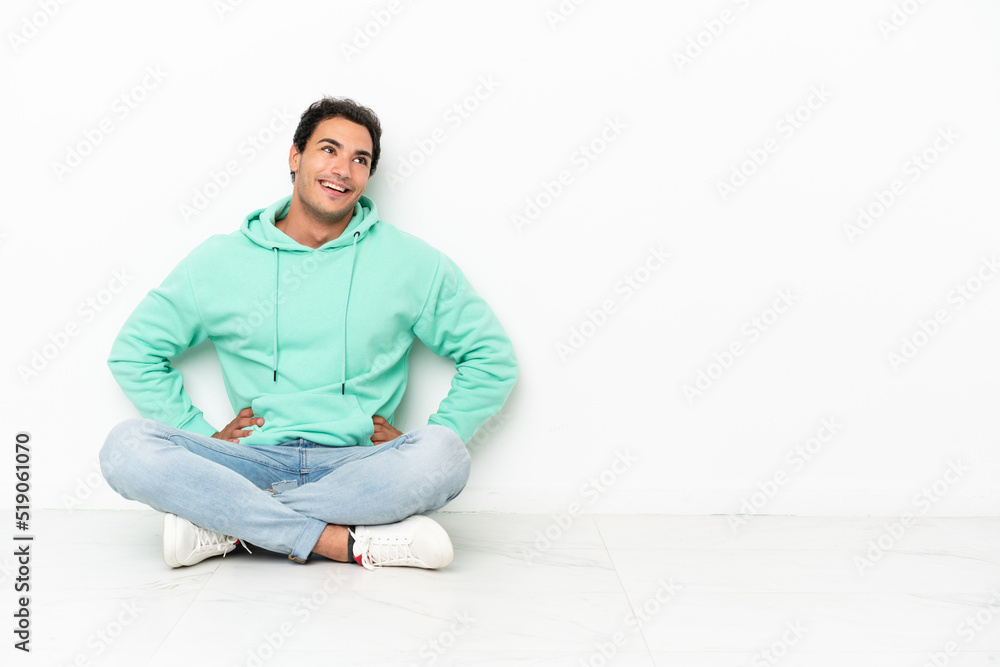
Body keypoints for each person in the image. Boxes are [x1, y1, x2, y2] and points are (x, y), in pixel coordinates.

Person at [99, 97, 517, 570]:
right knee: (124, 448)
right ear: (296, 156)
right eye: (329, 150)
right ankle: (345, 543)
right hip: (250, 462)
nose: (343, 169)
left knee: (445, 456)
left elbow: (491, 358)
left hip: (359, 466)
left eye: (360, 159)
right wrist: (203, 435)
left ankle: (232, 527)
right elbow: (134, 352)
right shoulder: (219, 261)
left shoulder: (411, 263)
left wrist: (430, 436)